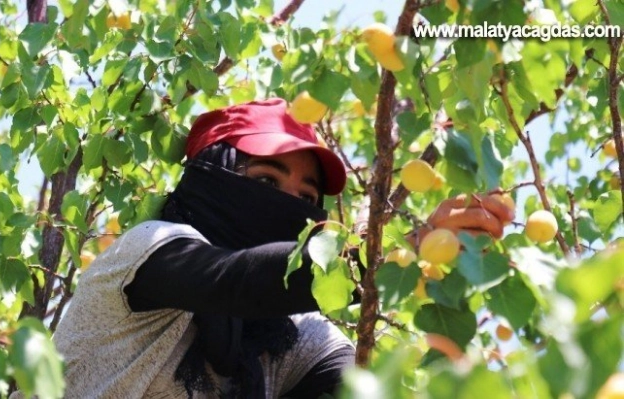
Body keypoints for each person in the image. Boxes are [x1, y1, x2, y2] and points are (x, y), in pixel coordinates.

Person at [52, 98, 514, 399]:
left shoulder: (291, 337)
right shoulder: (146, 250)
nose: (286, 207)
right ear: (211, 175)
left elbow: (354, 380)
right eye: (266, 181)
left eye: (307, 200)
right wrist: (403, 250)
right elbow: (235, 280)